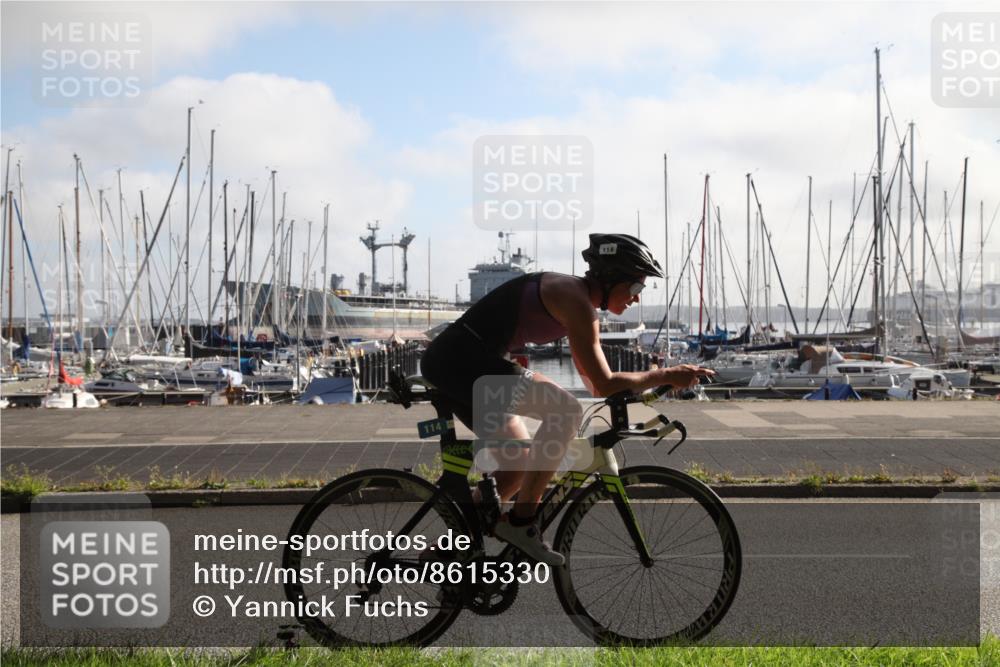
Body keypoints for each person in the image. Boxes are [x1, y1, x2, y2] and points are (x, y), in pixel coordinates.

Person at [420, 233, 715, 566]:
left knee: (520, 465)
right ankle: (521, 523)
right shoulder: (574, 300)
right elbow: (604, 383)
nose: (636, 298)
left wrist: (644, 388)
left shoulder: (576, 300)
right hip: (459, 361)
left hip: (462, 363)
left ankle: (448, 549)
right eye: (635, 287)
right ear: (610, 278)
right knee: (565, 410)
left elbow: (594, 384)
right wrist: (666, 374)